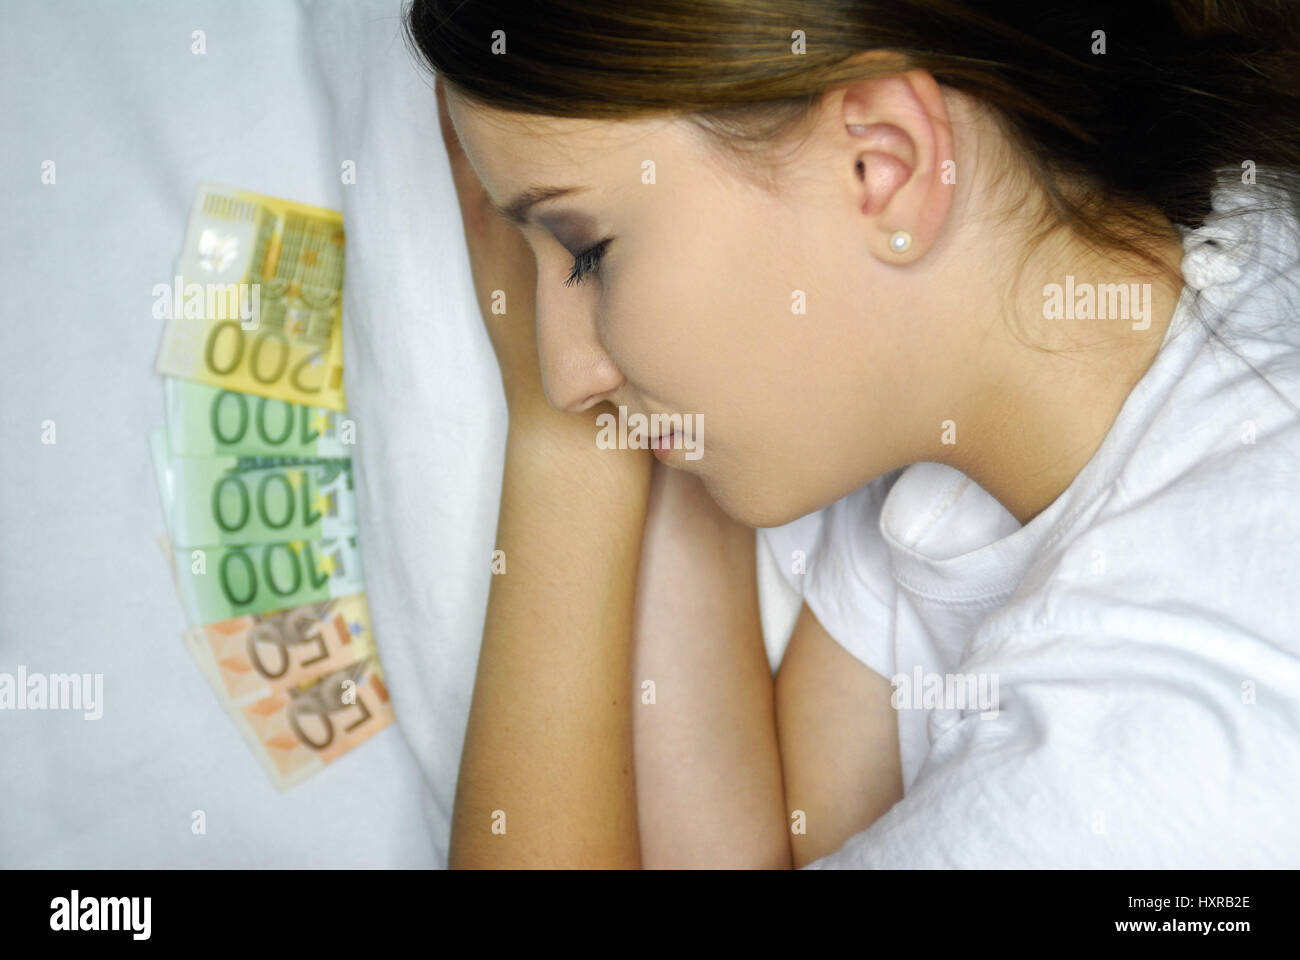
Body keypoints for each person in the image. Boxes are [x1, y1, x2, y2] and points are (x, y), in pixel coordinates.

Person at [406, 0, 1300, 867]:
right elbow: (778, 844)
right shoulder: (1001, 423)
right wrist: (636, 411)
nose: (565, 374)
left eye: (587, 251)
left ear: (884, 164)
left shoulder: (1167, 744)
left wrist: (556, 449)